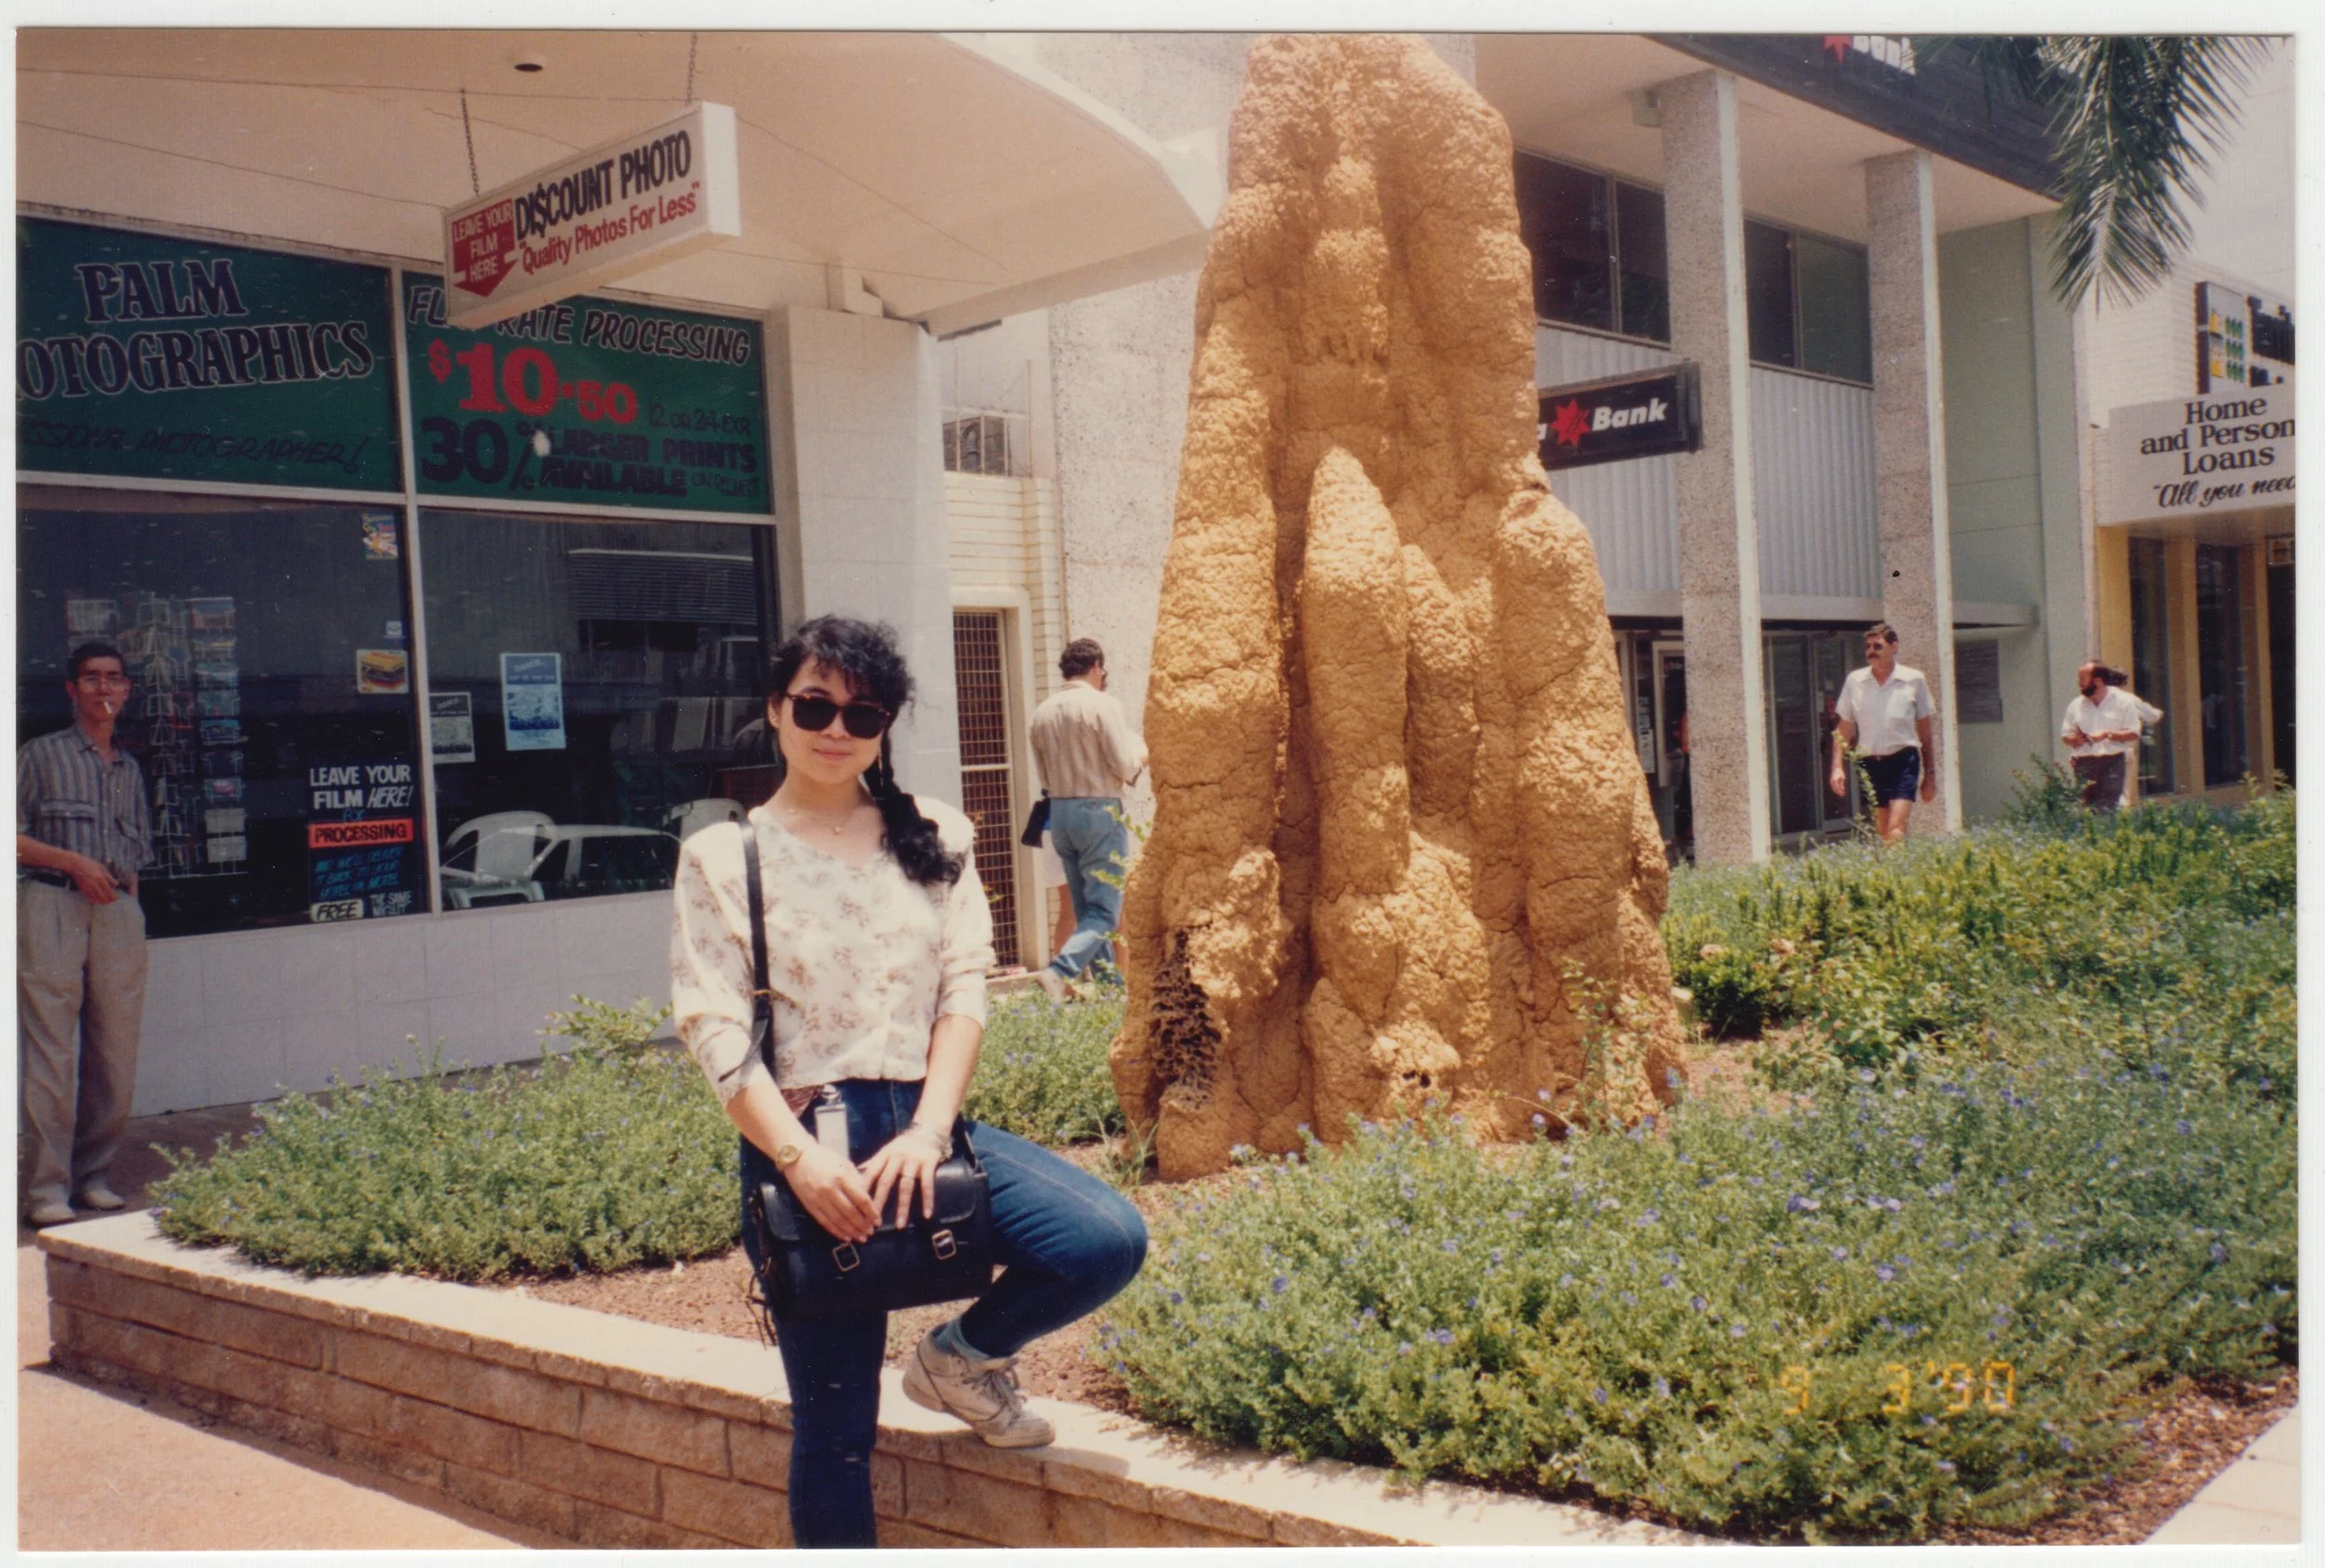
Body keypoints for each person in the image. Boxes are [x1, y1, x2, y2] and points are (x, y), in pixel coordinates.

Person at [669, 616, 1146, 1549]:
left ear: (885, 726)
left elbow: (965, 989)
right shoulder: (726, 857)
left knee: (1105, 1237)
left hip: (925, 1131)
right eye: (814, 705)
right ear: (775, 711)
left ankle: (960, 1361)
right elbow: (717, 1033)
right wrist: (802, 1165)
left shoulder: (934, 833)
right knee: (838, 1438)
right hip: (810, 1149)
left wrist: (931, 1131)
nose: (835, 727)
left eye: (862, 712)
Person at [18, 643, 152, 1228]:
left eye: (114, 679)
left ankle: (93, 1174)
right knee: (52, 1051)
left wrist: (129, 906)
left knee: (115, 1053)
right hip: (50, 904)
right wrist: (73, 863)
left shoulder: (129, 767)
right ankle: (48, 1188)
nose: (104, 689)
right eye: (91, 679)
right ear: (72, 690)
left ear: (125, 691)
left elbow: (137, 850)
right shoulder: (39, 756)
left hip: (117, 912)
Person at [1027, 638, 1147, 1001]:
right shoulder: (1102, 704)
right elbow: (1125, 766)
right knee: (1106, 913)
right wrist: (1141, 754)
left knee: (1086, 911)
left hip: (1059, 814)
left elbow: (1045, 777)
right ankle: (1059, 970)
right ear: (1096, 667)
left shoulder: (1042, 712)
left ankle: (1110, 996)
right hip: (1099, 811)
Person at [1829, 622, 1938, 845]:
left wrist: (1930, 776)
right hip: (1871, 762)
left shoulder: (1913, 679)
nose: (1871, 651)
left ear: (1894, 647)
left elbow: (1925, 732)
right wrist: (1837, 766)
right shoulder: (1855, 681)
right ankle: (1893, 875)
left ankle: (1896, 876)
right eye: (1868, 646)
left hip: (1903, 760)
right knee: (1882, 831)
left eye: (1878, 646)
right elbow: (1844, 729)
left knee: (1896, 828)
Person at [2061, 660, 2163, 813]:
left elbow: (2138, 729)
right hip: (2085, 763)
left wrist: (2108, 735)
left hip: (2113, 760)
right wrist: (2075, 739)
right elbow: (2065, 735)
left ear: (2098, 681)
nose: (2079, 683)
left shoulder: (2125, 701)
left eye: (2082, 678)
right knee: (2089, 808)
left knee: (2111, 804)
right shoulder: (2076, 705)